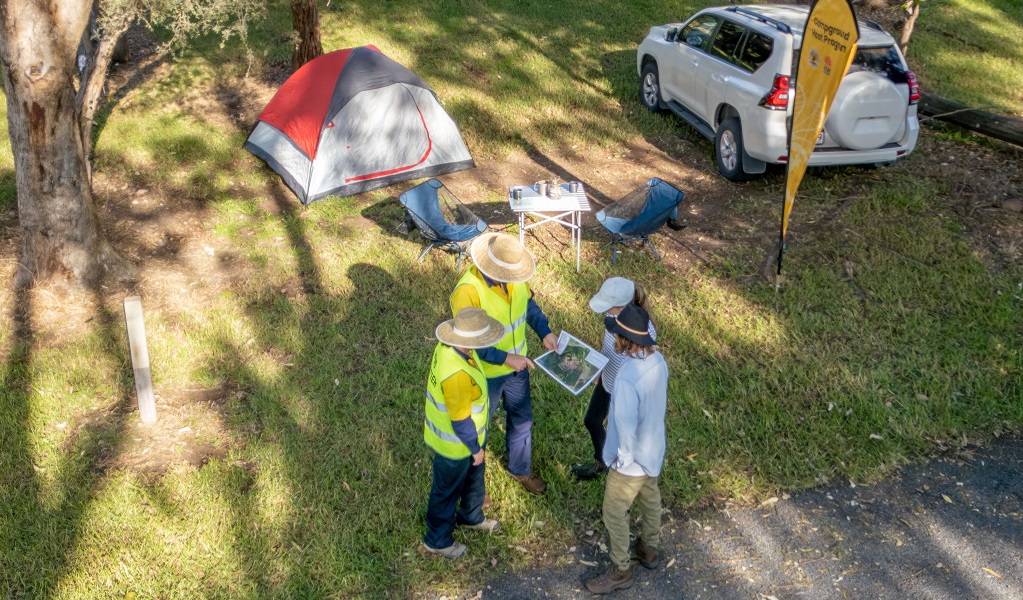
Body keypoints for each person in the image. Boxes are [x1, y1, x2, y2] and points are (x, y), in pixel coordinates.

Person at [450, 232, 558, 495]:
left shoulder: (516, 280)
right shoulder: (467, 291)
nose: (514, 279)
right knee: (477, 429)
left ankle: (520, 469)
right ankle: (475, 489)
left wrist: (545, 331)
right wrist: (507, 358)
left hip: (517, 369)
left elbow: (529, 306)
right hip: (483, 373)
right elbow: (471, 341)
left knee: (522, 418)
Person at [584, 303, 668, 594]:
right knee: (650, 497)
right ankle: (649, 550)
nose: (614, 339)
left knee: (614, 511)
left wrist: (621, 459)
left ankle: (621, 570)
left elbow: (625, 422)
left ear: (625, 340)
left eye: (617, 335)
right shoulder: (660, 362)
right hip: (654, 449)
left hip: (630, 460)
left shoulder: (627, 374)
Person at [422, 307, 506, 559]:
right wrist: (476, 449)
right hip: (457, 445)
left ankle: (471, 516)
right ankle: (437, 541)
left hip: (469, 441)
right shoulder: (457, 374)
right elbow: (460, 420)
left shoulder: (450, 349)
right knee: (445, 491)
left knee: (473, 480)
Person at [572, 277, 656, 481]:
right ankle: (603, 462)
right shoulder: (612, 319)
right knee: (592, 420)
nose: (605, 312)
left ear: (622, 306)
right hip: (607, 382)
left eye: (608, 307)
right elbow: (608, 348)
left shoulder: (641, 329)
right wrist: (599, 369)